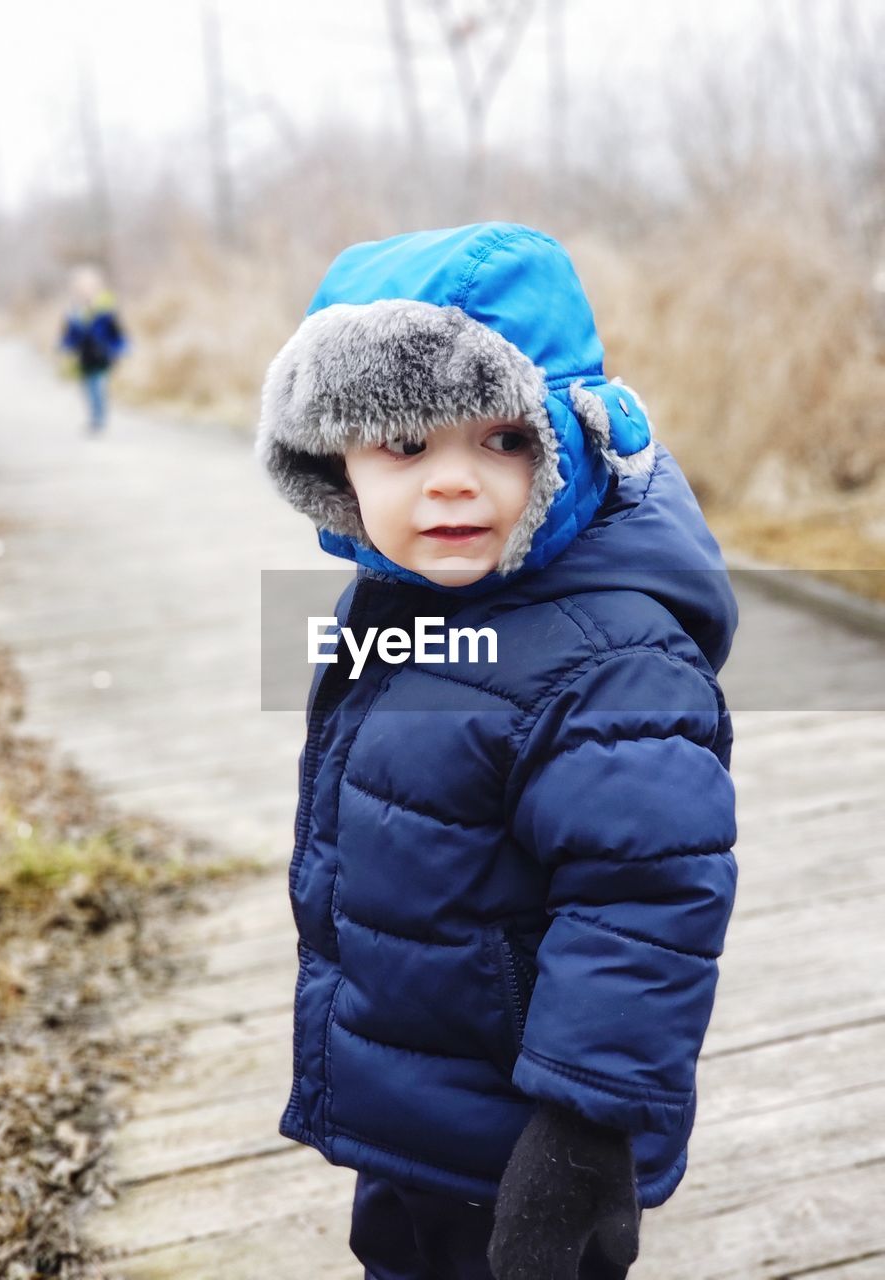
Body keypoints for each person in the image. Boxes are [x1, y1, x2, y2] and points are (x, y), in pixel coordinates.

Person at [255, 222, 739, 1279]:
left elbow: (647, 900)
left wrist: (584, 1131)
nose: (454, 482)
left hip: (528, 1126)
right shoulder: (406, 596)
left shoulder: (617, 659)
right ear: (335, 461)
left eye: (504, 439)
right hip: (422, 1090)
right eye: (404, 444)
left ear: (569, 437)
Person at [57, 264, 129, 434]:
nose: (85, 291)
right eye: (81, 288)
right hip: (84, 357)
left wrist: (120, 347)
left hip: (103, 355)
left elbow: (116, 331)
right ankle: (94, 417)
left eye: (88, 287)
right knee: (87, 389)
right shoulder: (74, 311)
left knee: (98, 387)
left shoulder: (106, 309)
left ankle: (99, 419)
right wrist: (65, 345)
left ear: (96, 287)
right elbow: (70, 334)